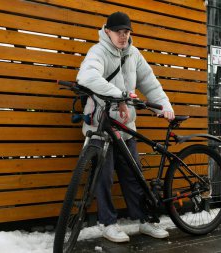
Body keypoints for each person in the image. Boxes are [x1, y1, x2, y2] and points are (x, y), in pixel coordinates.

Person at [77, 11, 175, 243]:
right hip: (101, 126)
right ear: (107, 31)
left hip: (126, 125)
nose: (123, 36)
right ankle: (107, 223)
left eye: (127, 31)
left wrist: (164, 106)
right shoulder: (98, 52)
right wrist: (120, 95)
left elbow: (150, 83)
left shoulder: (134, 54)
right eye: (119, 32)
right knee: (103, 178)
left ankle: (143, 221)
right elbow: (86, 77)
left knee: (133, 175)